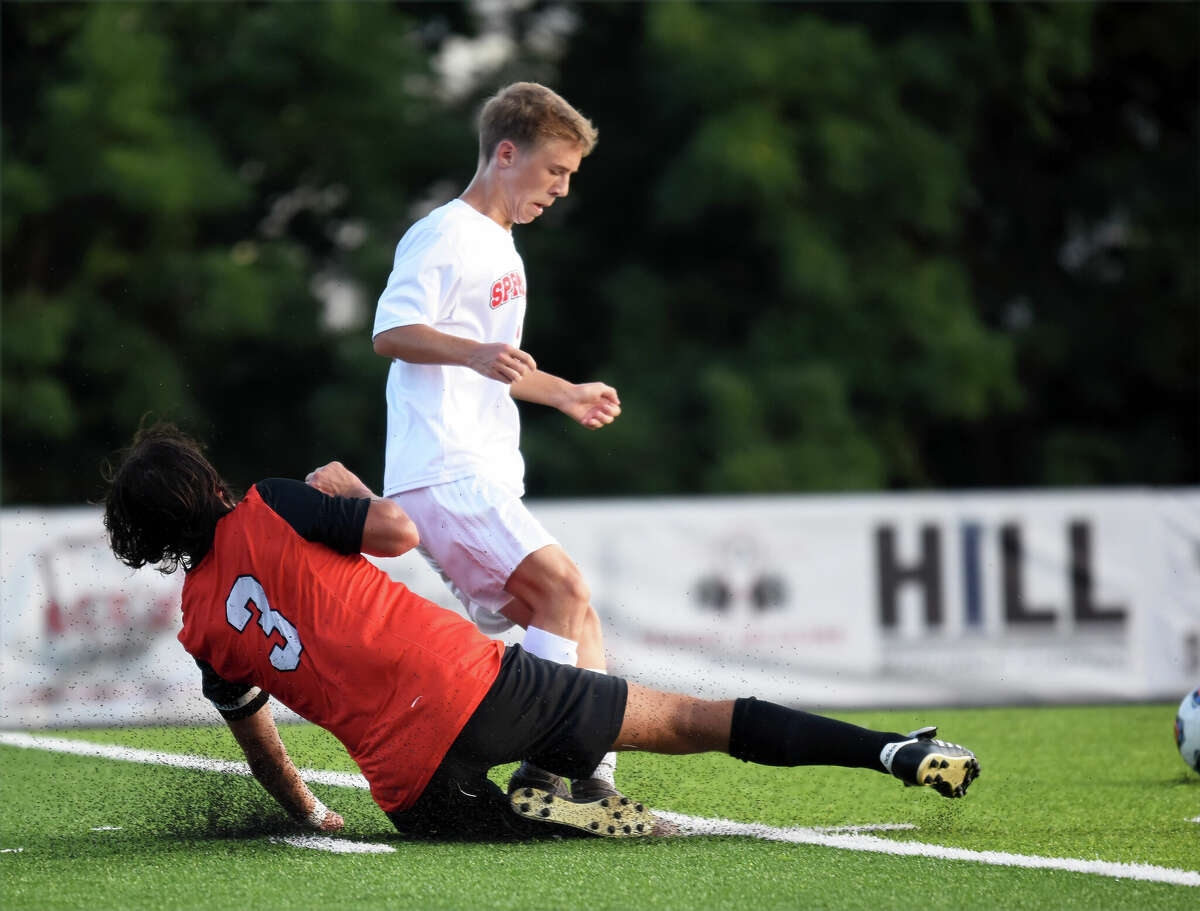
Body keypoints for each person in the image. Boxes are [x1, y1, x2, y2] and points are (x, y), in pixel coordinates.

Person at [102, 424, 981, 841]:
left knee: (503, 826)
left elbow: (261, 749)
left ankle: (544, 805)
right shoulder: (268, 503)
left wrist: (314, 812)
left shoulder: (201, 628)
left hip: (409, 790)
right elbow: (401, 536)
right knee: (688, 721)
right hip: (475, 688)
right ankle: (890, 754)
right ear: (205, 481)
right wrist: (351, 491)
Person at [370, 82, 622, 803]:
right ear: (505, 153)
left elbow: (500, 367)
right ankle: (540, 769)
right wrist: (473, 354)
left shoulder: (503, 247)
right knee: (564, 588)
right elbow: (391, 332)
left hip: (476, 470)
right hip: (443, 467)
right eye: (554, 171)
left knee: (573, 611)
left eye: (570, 176)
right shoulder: (445, 232)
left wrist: (564, 392)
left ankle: (591, 782)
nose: (562, 189)